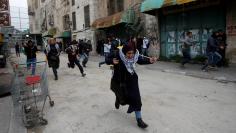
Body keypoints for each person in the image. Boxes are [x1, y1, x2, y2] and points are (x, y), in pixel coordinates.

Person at [106, 37, 157, 129]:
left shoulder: (135, 55)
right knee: (123, 99)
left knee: (136, 98)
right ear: (124, 51)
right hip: (120, 80)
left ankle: (139, 120)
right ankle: (118, 98)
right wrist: (111, 61)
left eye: (132, 53)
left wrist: (149, 61)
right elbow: (107, 59)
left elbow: (140, 60)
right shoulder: (117, 53)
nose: (131, 55)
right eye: (129, 53)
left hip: (132, 78)